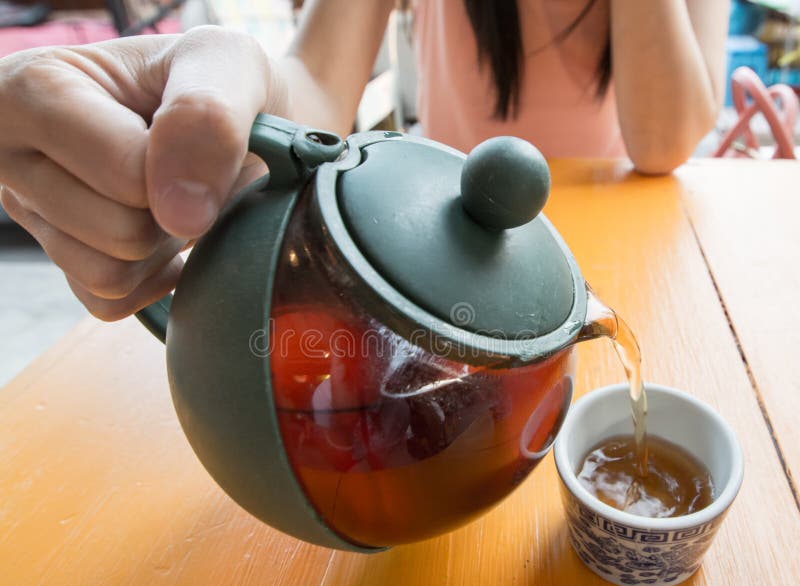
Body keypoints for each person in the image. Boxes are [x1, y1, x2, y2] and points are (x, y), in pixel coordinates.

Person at [0, 0, 729, 321]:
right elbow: (317, 83)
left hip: (631, 251)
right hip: (445, 250)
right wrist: (242, 90)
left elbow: (661, 142)